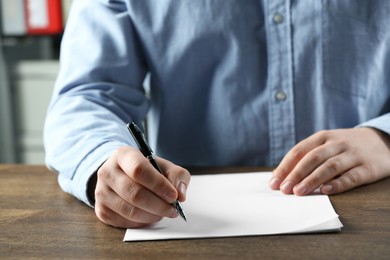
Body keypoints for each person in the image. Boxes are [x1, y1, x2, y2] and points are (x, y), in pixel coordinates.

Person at [44, 0, 390, 228]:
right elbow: (88, 95)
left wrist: (383, 137)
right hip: (184, 218)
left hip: (366, 211)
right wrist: (104, 161)